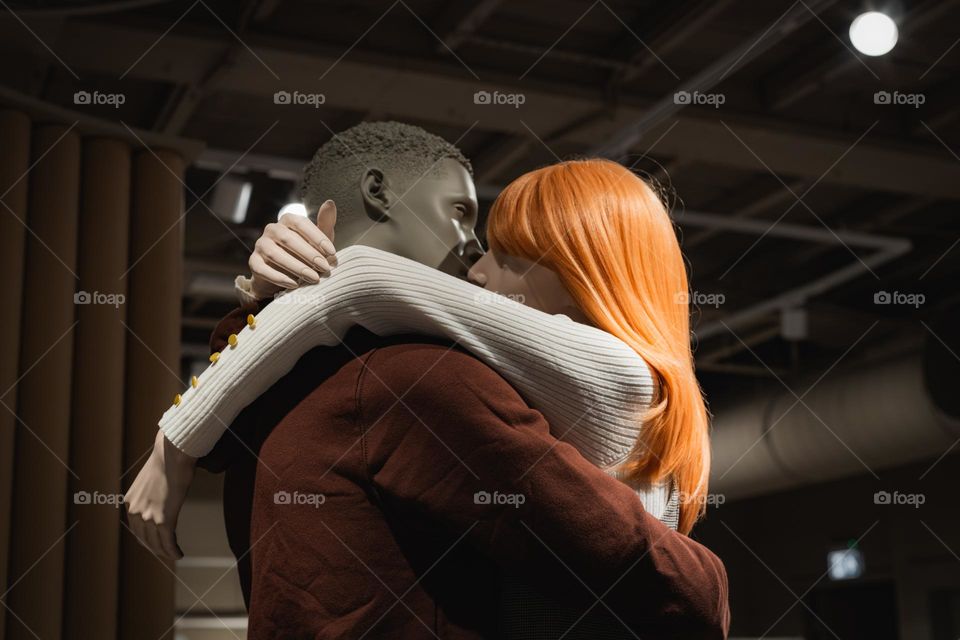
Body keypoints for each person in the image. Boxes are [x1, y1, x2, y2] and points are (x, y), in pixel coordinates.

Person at [126, 123, 727, 637]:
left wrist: (179, 433)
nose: (475, 263)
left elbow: (353, 284)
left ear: (584, 272)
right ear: (379, 195)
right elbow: (684, 591)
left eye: (506, 253)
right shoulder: (422, 378)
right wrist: (272, 299)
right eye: (464, 216)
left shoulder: (306, 383)